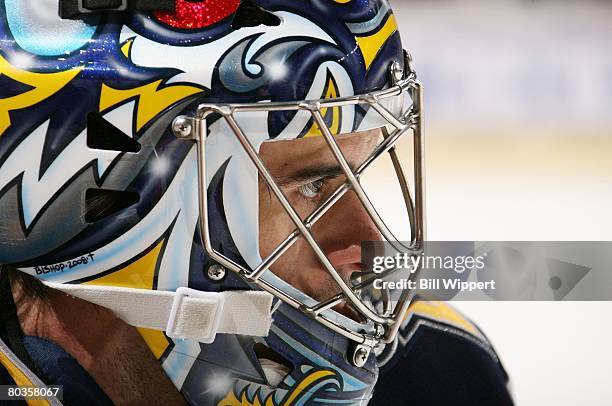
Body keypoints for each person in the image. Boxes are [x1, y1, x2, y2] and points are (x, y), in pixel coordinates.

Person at [0, 0, 513, 404]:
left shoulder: (434, 366)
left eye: (356, 177)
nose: (371, 246)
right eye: (311, 186)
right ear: (101, 203)